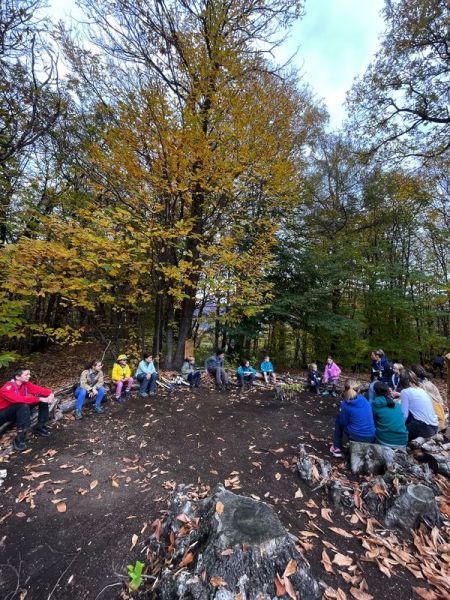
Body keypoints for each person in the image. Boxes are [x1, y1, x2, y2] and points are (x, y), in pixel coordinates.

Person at [0, 368, 54, 452]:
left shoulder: (25, 384)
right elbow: (17, 399)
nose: (29, 376)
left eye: (29, 374)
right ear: (17, 377)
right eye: (26, 374)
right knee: (23, 405)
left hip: (17, 409)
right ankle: (19, 438)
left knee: (42, 398)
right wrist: (38, 399)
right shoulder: (7, 388)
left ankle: (40, 426)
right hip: (3, 414)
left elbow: (38, 389)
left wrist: (50, 393)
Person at [330, 380, 376, 457]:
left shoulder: (345, 404)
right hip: (371, 436)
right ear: (358, 390)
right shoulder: (364, 400)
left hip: (357, 437)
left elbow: (343, 422)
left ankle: (337, 447)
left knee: (339, 420)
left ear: (345, 390)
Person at [398, 369, 438, 443]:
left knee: (398, 433)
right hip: (435, 426)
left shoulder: (405, 392)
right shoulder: (421, 390)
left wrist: (400, 427)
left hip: (425, 427)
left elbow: (404, 415)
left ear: (402, 381)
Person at [371, 381, 408, 448]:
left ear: (374, 392)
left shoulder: (375, 405)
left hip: (385, 441)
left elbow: (373, 423)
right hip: (403, 441)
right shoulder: (397, 405)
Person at [411, 365, 447, 432]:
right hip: (439, 410)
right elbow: (438, 397)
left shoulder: (421, 386)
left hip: (434, 418)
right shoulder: (428, 382)